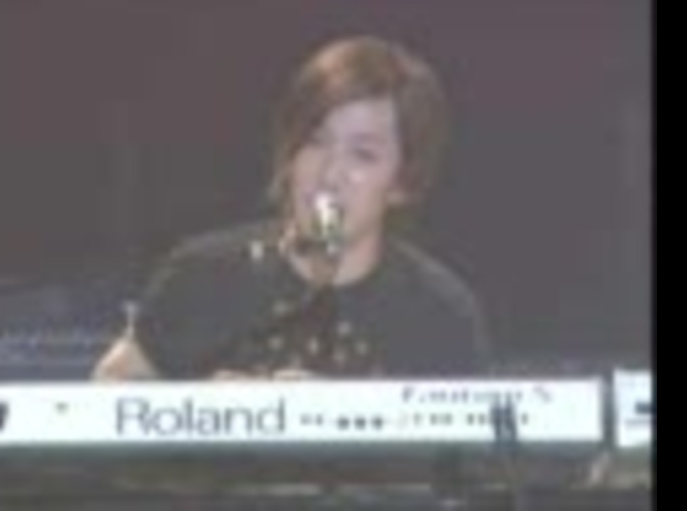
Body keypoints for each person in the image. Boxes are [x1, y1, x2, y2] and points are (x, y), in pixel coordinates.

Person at [93, 35, 492, 381]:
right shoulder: (203, 275)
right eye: (315, 142)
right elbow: (110, 389)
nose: (329, 174)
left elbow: (470, 444)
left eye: (362, 155)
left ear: (403, 182)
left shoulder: (439, 312)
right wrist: (210, 408)